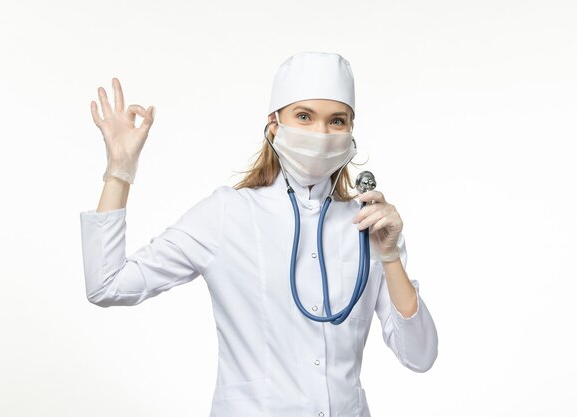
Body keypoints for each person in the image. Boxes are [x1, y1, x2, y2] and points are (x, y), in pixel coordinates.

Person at [80, 51, 438, 417]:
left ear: (350, 131)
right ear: (274, 124)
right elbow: (107, 284)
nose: (320, 133)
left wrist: (390, 257)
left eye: (336, 121)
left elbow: (420, 356)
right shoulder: (228, 214)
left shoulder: (369, 226)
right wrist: (119, 170)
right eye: (304, 116)